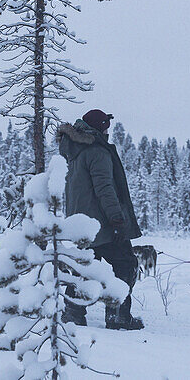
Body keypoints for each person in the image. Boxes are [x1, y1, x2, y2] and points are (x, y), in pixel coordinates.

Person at [57, 108, 144, 330]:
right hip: (102, 223)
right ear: (99, 128)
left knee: (85, 267)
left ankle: (73, 312)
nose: (108, 131)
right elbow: (105, 189)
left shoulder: (73, 151)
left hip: (81, 224)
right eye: (106, 126)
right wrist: (117, 220)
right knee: (126, 264)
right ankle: (117, 314)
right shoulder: (97, 152)